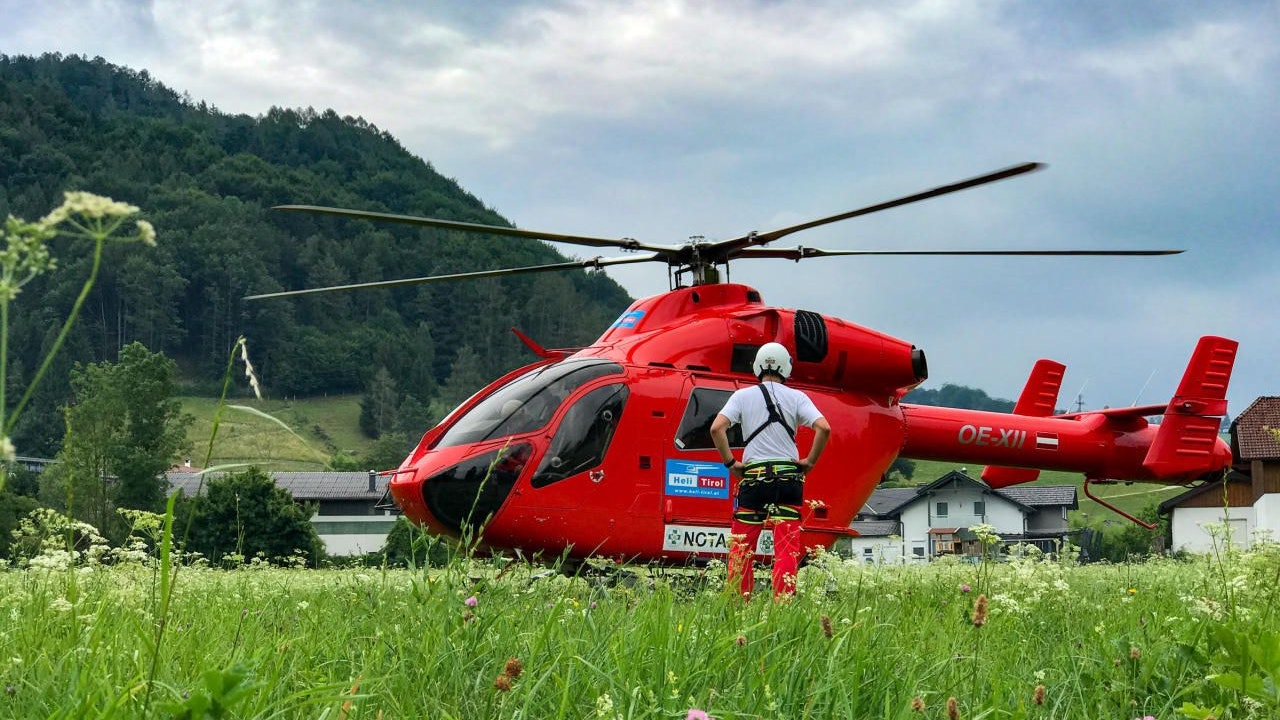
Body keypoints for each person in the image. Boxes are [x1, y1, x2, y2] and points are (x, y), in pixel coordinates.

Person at [710, 342, 831, 599]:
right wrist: (809, 462)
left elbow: (716, 428)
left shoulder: (742, 396)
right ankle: (782, 606)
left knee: (742, 550)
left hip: (753, 480)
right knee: (786, 550)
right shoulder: (797, 397)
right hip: (788, 481)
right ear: (786, 367)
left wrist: (732, 464)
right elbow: (824, 427)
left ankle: (739, 607)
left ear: (757, 366)